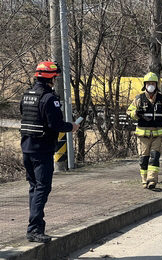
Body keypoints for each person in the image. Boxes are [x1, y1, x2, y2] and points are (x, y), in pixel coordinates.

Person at [20, 61, 80, 243]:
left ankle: (35, 227)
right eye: (55, 77)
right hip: (42, 150)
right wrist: (72, 127)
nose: (55, 80)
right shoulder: (49, 98)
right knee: (42, 188)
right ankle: (34, 229)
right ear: (51, 78)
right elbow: (55, 124)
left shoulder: (26, 95)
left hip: (27, 148)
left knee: (34, 188)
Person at [126, 72, 162, 189]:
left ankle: (152, 180)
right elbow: (129, 112)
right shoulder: (139, 99)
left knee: (155, 157)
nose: (151, 85)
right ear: (145, 84)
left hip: (157, 134)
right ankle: (144, 181)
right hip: (143, 135)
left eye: (153, 83)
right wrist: (136, 113)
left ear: (156, 85)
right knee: (144, 159)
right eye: (148, 83)